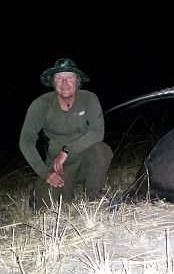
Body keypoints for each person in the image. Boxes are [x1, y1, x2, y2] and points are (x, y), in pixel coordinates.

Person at [19, 58, 113, 210]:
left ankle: (94, 195)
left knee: (101, 149)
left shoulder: (89, 98)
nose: (64, 83)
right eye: (59, 78)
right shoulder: (41, 104)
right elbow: (26, 141)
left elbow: (97, 132)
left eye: (69, 77)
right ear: (52, 82)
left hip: (83, 159)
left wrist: (67, 150)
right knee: (46, 208)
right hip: (58, 167)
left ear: (78, 81)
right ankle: (40, 192)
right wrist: (44, 173)